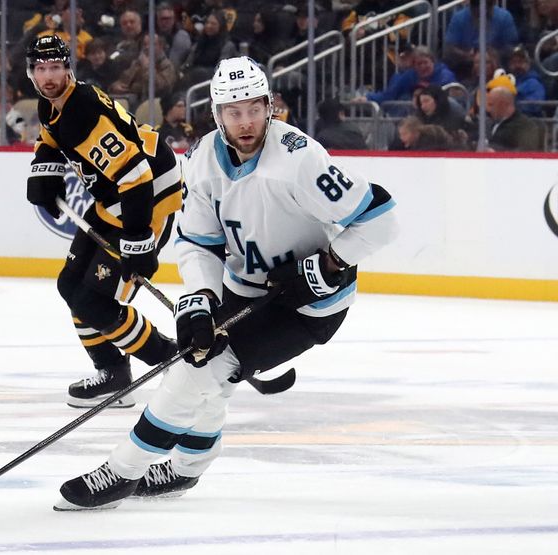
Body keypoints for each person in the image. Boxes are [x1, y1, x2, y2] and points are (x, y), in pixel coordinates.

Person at [54, 56, 399, 510]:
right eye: (234, 112)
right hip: (244, 289)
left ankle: (123, 471)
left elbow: (381, 219)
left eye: (255, 108)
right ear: (217, 115)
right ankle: (186, 468)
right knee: (202, 361)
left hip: (310, 305)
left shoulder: (299, 158)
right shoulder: (201, 161)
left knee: (202, 370)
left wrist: (329, 264)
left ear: (270, 107)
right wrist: (197, 299)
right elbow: (198, 242)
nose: (247, 122)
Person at [25, 35, 182, 409]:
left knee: (95, 302)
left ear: (68, 69)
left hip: (147, 197)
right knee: (70, 286)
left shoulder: (82, 113)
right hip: (113, 198)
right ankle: (112, 372)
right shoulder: (54, 104)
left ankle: (170, 359)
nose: (49, 77)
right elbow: (50, 135)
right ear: (31, 73)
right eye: (41, 69)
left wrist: (139, 240)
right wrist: (43, 170)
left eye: (56, 68)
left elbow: (136, 175)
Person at [486, 86, 542, 152]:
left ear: (503, 104)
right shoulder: (490, 123)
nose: (488, 109)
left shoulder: (526, 126)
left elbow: (527, 151)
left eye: (491, 105)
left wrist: (497, 152)